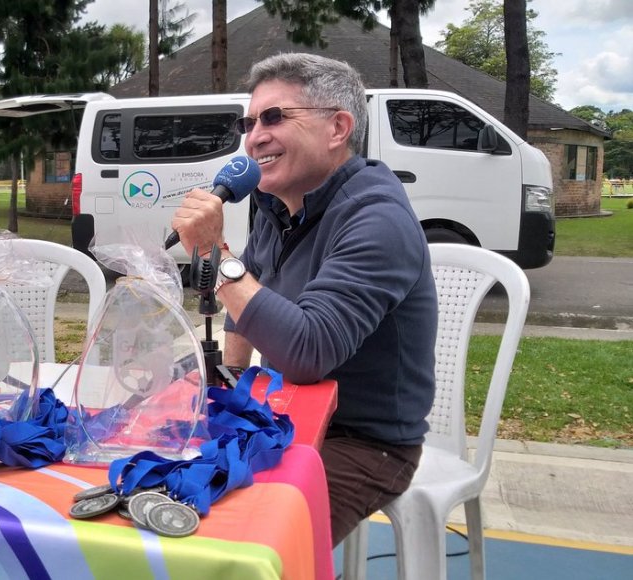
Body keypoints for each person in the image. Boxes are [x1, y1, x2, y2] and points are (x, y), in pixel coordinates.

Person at [171, 53, 438, 546]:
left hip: (361, 441)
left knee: (244, 543)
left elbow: (307, 353)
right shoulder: (277, 206)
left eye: (274, 117)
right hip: (285, 416)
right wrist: (230, 382)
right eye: (248, 123)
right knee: (160, 487)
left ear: (338, 128)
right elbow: (246, 303)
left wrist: (214, 252)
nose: (254, 136)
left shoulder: (377, 219)